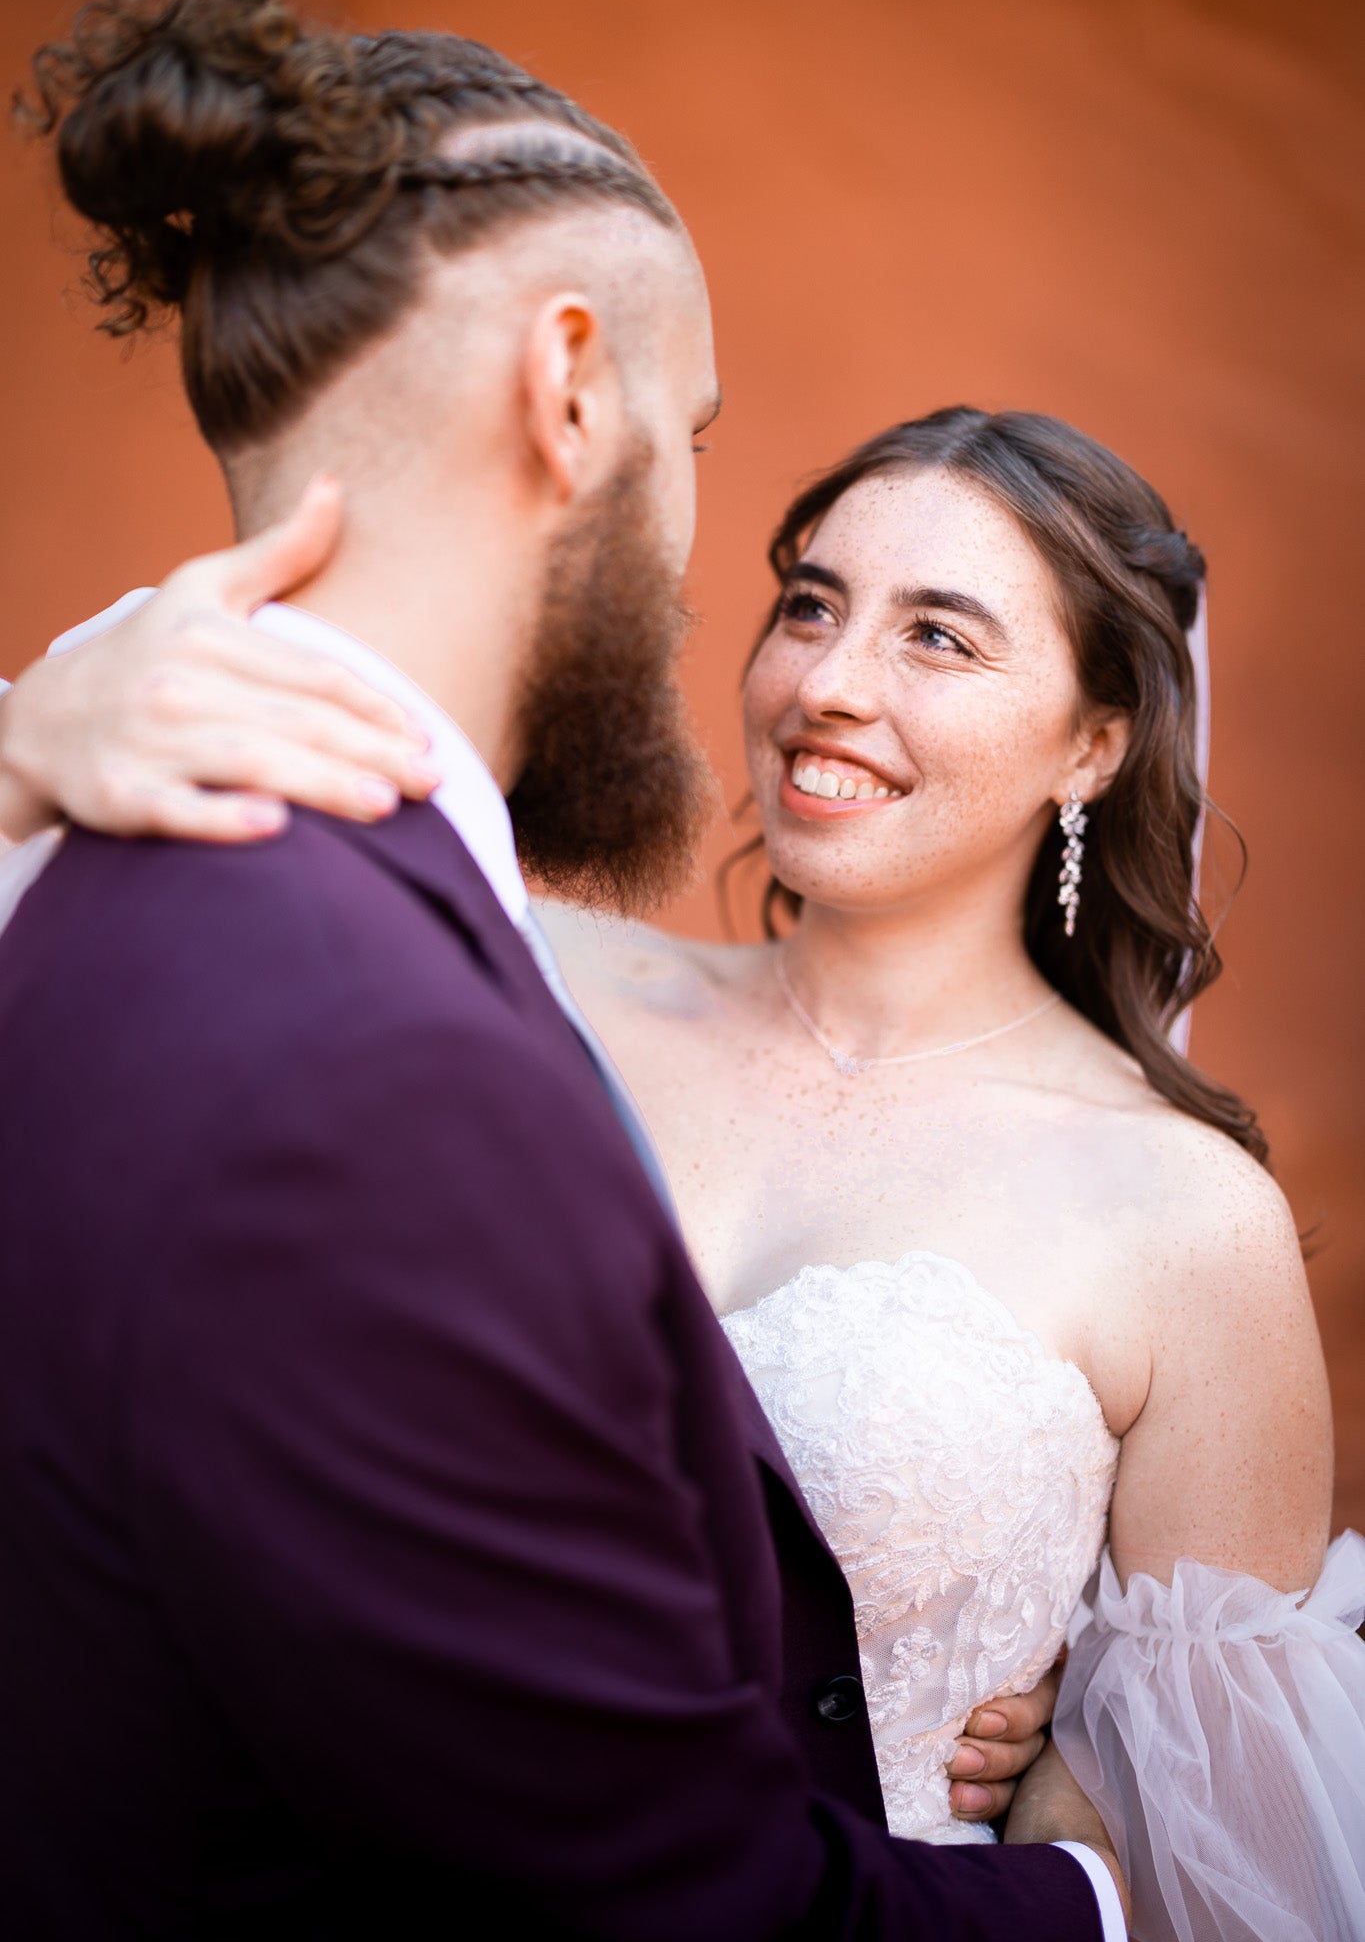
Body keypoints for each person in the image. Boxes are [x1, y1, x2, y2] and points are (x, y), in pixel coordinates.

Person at [0, 0, 1128, 1942]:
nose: (700, 548)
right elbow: (678, 1909)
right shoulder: (375, 1064)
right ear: (571, 384)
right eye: (687, 441)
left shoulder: (81, 888)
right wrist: (1103, 1897)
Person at [14, 405, 1365, 1933]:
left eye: (938, 638)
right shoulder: (518, 977)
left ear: (1093, 743)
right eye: (810, 605)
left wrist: (1093, 1755)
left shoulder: (1183, 1220)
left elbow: (1213, 1857)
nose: (829, 686)